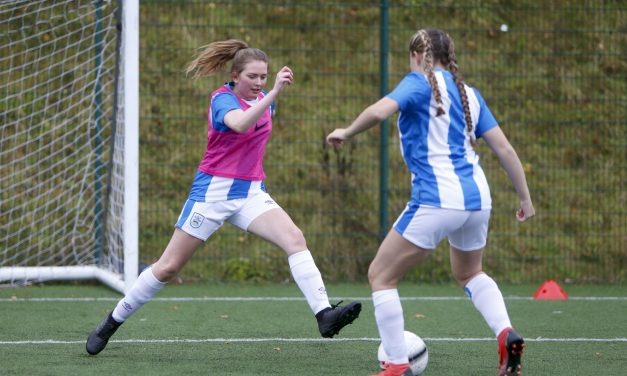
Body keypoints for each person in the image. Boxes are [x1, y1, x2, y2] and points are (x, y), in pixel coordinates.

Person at [86, 39, 361, 356]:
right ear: (235, 75)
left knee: (295, 239)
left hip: (251, 192)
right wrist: (273, 91)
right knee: (167, 268)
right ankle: (111, 322)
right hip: (212, 194)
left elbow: (255, 126)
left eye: (263, 77)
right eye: (252, 77)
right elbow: (240, 125)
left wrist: (269, 96)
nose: (258, 83)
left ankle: (324, 315)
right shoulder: (222, 99)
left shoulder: (265, 101)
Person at [326, 29, 534, 376]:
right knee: (470, 273)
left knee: (380, 275)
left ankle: (395, 365)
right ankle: (505, 334)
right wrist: (525, 197)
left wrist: (346, 131)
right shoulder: (469, 94)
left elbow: (379, 111)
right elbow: (506, 149)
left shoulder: (418, 82)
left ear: (418, 56)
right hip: (478, 199)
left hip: (437, 199)